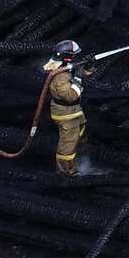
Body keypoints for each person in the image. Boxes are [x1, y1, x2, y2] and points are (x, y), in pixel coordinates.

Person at [43, 40, 88, 176]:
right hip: (66, 114)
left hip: (74, 112)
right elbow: (70, 96)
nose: (77, 58)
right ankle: (65, 172)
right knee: (68, 144)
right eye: (75, 56)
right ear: (67, 57)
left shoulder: (66, 68)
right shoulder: (59, 76)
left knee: (79, 134)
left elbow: (82, 73)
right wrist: (78, 79)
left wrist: (89, 66)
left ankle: (80, 156)